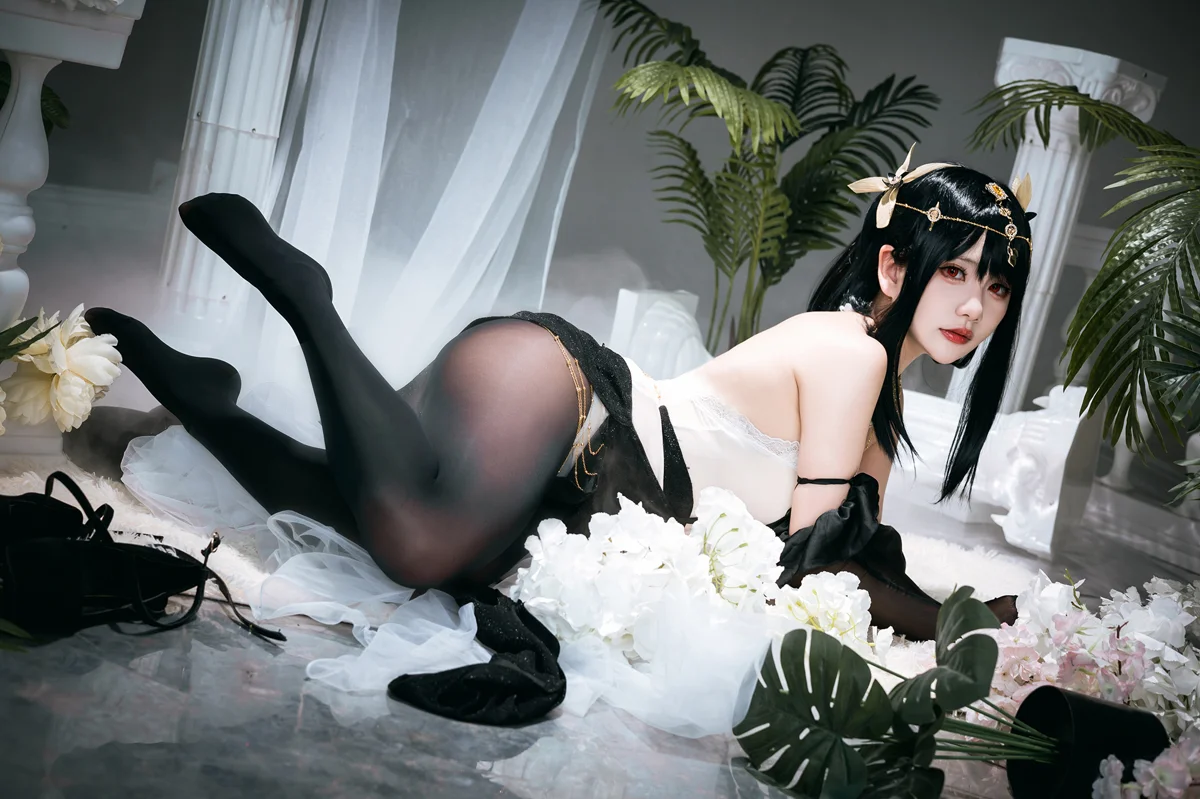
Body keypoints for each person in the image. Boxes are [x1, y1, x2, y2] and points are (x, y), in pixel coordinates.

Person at [81, 148, 1031, 646]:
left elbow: (847, 562)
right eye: (956, 273)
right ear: (895, 265)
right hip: (568, 401)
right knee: (415, 546)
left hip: (559, 445)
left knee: (336, 502)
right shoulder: (852, 353)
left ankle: (200, 396)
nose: (973, 306)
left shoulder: (873, 400)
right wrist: (959, 623)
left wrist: (944, 609)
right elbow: (819, 558)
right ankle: (308, 302)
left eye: (995, 287)